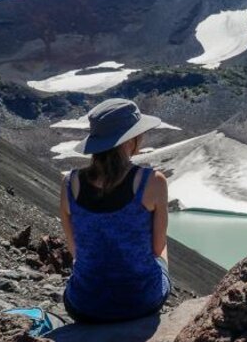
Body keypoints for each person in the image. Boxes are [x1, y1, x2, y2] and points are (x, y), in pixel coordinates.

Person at [59, 98, 171, 323]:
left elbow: (76, 252)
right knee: (161, 258)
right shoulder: (153, 181)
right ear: (130, 139)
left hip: (83, 306)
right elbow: (157, 248)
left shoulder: (70, 183)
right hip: (142, 302)